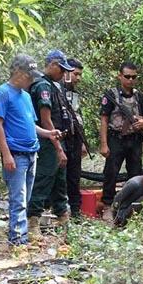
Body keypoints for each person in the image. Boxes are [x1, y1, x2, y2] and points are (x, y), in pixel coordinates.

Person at [0, 54, 64, 246]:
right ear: (18, 72)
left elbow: (31, 124)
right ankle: (17, 241)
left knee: (26, 198)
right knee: (18, 200)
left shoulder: (26, 96)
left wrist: (49, 133)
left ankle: (20, 237)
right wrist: (6, 154)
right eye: (28, 75)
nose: (31, 79)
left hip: (32, 153)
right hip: (16, 154)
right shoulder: (2, 93)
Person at [27, 50, 76, 236]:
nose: (63, 74)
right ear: (52, 65)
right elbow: (46, 120)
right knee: (43, 179)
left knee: (59, 180)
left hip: (56, 140)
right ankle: (33, 222)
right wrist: (58, 148)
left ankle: (63, 218)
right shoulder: (42, 86)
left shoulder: (54, 86)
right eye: (61, 69)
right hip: (47, 141)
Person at [99, 62, 143, 220]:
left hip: (134, 140)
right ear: (120, 76)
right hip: (116, 138)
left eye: (134, 77)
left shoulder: (140, 97)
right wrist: (104, 144)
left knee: (135, 173)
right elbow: (104, 120)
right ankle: (107, 205)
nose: (130, 80)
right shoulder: (111, 95)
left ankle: (131, 207)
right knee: (111, 173)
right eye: (127, 76)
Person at [62, 58, 89, 217]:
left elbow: (78, 118)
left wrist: (83, 142)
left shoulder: (75, 94)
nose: (78, 78)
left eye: (80, 75)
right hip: (61, 138)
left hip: (75, 139)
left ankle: (75, 211)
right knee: (60, 176)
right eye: (75, 74)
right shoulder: (56, 90)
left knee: (74, 176)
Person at [112, 158, 143, 226]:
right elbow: (116, 201)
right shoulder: (134, 184)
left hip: (134, 214)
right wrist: (116, 219)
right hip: (123, 215)